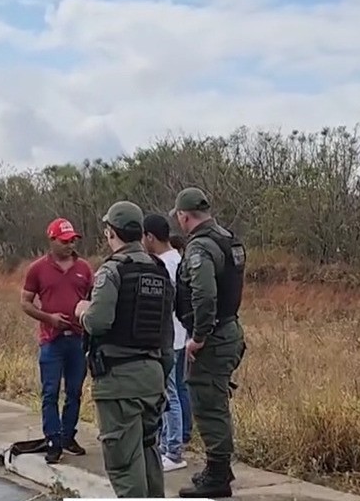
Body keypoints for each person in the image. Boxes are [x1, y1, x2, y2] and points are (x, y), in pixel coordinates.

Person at [77, 201, 174, 499]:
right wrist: (160, 374)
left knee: (122, 463)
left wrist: (82, 310)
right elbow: (167, 337)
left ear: (110, 233)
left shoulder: (112, 271)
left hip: (119, 383)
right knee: (147, 453)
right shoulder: (159, 271)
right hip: (153, 378)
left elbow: (98, 321)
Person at [169, 187, 247, 498]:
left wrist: (198, 337)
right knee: (214, 400)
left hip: (213, 338)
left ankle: (217, 475)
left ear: (183, 216)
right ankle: (219, 467)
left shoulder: (200, 248)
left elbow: (204, 294)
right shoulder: (228, 238)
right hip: (229, 329)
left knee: (208, 403)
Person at [20, 217, 94, 464]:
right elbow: (26, 303)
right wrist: (49, 318)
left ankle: (67, 435)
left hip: (78, 339)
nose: (69, 245)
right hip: (51, 339)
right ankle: (52, 439)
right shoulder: (37, 269)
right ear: (51, 240)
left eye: (72, 240)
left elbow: (93, 299)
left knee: (74, 392)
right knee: (50, 392)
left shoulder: (84, 268)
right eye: (64, 241)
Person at [142, 212, 191, 471]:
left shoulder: (165, 265)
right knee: (173, 392)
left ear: (150, 236)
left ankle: (173, 451)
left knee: (168, 394)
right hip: (180, 336)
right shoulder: (177, 260)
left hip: (169, 339)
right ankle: (167, 445)